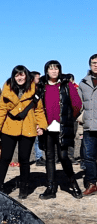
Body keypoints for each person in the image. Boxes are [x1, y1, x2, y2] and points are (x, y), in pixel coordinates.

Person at [0, 66, 47, 199]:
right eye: (17, 75)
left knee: (24, 159)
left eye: (22, 75)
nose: (20, 78)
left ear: (27, 76)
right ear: (13, 77)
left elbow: (38, 110)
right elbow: (1, 110)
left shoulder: (34, 90)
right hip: (9, 127)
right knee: (5, 158)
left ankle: (24, 187)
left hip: (28, 127)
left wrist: (42, 126)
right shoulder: (8, 89)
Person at [36, 61, 83, 199]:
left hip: (62, 126)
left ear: (60, 71)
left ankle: (73, 183)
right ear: (46, 71)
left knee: (63, 156)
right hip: (47, 127)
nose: (54, 71)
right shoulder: (41, 86)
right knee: (49, 157)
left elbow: (77, 104)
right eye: (51, 69)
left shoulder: (66, 85)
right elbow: (36, 105)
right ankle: (51, 188)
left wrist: (68, 118)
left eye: (56, 69)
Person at [78, 54, 97, 196]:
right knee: (88, 156)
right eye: (93, 63)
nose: (96, 65)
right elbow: (78, 105)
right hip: (89, 126)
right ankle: (92, 184)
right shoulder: (83, 83)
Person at [30, 71, 45, 166]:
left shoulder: (40, 89)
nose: (39, 80)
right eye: (37, 78)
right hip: (32, 117)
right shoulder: (30, 90)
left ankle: (40, 157)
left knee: (39, 139)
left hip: (40, 116)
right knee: (35, 139)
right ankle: (38, 158)